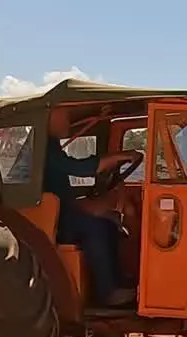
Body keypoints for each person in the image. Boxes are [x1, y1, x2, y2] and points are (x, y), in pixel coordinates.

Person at [43, 108, 143, 308]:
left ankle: (117, 282)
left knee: (109, 223)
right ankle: (107, 292)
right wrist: (121, 156)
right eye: (65, 117)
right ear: (48, 119)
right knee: (95, 228)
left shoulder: (52, 147)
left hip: (61, 210)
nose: (68, 123)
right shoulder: (44, 148)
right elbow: (81, 169)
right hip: (49, 219)